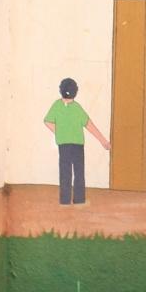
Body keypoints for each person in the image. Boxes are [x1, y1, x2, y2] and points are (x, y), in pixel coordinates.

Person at [42, 77, 110, 206]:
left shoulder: (57, 105)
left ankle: (65, 200)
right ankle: (79, 200)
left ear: (60, 90)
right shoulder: (77, 107)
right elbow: (89, 125)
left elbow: (47, 121)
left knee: (65, 172)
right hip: (78, 145)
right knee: (79, 172)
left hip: (64, 145)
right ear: (75, 92)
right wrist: (103, 141)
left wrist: (60, 132)